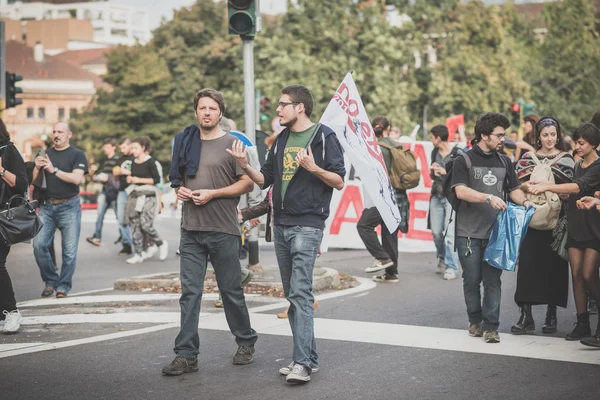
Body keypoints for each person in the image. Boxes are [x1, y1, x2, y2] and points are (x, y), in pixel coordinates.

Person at [228, 84, 345, 383]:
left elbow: (339, 180)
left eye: (283, 104)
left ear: (300, 107)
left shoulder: (324, 136)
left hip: (308, 224)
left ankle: (302, 363)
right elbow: (265, 179)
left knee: (300, 293)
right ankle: (309, 358)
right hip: (280, 224)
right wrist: (244, 166)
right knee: (293, 296)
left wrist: (314, 168)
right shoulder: (281, 139)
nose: (277, 110)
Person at [163, 88, 258, 376]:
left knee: (230, 291)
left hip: (223, 229)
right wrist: (180, 189)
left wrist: (213, 193)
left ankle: (246, 342)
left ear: (220, 113)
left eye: (212, 109)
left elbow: (248, 185)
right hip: (191, 229)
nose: (207, 113)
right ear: (196, 111)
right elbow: (179, 178)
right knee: (189, 293)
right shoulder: (185, 142)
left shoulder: (233, 144)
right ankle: (186, 354)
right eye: (202, 108)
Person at [451, 112, 533, 344]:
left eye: (504, 135)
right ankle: (474, 320)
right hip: (468, 233)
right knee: (471, 279)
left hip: (497, 234)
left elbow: (514, 189)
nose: (503, 139)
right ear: (484, 135)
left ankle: (491, 327)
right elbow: (460, 191)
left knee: (492, 282)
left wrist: (525, 202)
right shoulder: (463, 160)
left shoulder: (505, 160)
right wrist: (487, 197)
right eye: (499, 135)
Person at [529, 123, 600, 342]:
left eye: (581, 143)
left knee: (589, 275)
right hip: (575, 226)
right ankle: (583, 323)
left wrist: (547, 187)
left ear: (594, 144)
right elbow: (573, 191)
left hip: (594, 228)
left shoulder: (598, 165)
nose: (577, 147)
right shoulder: (578, 164)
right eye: (576, 143)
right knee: (577, 276)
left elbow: (578, 187)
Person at [511, 117, 574, 335]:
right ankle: (525, 315)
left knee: (554, 268)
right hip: (532, 219)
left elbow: (575, 188)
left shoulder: (567, 159)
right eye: (545, 134)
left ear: (558, 134)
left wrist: (563, 192)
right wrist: (524, 186)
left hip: (557, 221)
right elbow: (513, 184)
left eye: (553, 134)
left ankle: (551, 315)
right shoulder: (527, 158)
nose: (549, 138)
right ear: (538, 136)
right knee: (527, 268)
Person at [32, 121, 89, 298]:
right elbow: (33, 181)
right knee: (39, 245)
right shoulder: (44, 153)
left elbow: (76, 179)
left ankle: (63, 286)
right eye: (54, 131)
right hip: (47, 207)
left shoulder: (78, 155)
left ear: (69, 135)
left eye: (60, 132)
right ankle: (51, 280)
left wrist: (53, 169)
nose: (56, 135)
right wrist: (36, 167)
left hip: (69, 206)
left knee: (69, 252)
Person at [357, 116, 409, 283]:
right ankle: (391, 273)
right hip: (398, 196)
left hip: (383, 197)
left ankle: (382, 258)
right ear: (388, 128)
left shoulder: (374, 148)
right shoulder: (397, 146)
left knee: (364, 225)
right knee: (390, 233)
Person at [0, 119, 29, 333]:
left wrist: (1, 170)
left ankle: (11, 312)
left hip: (2, 217)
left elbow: (21, 184)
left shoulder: (8, 150)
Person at [123, 137, 168, 264]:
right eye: (132, 148)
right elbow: (133, 177)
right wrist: (130, 179)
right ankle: (138, 253)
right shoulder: (133, 161)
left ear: (143, 148)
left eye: (136, 148)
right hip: (135, 196)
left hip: (148, 196)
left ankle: (160, 243)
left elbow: (156, 180)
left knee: (145, 224)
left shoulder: (150, 162)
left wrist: (137, 179)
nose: (133, 150)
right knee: (135, 225)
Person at [428, 124, 460, 280]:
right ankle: (442, 256)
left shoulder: (457, 153)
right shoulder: (434, 152)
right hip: (436, 195)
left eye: (432, 137)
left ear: (438, 138)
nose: (431, 140)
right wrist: (433, 171)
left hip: (450, 197)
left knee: (450, 235)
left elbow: (461, 176)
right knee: (436, 233)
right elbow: (432, 176)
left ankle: (451, 266)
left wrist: (444, 171)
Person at [86, 138, 120, 247]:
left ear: (113, 147)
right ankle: (97, 236)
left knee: (119, 216)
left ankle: (124, 237)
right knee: (99, 214)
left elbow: (118, 177)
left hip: (114, 192)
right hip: (105, 191)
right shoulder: (106, 162)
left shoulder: (117, 160)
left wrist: (107, 178)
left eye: (108, 147)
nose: (105, 149)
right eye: (104, 147)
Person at [112, 138, 134, 255]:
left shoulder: (135, 158)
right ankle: (127, 244)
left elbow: (142, 172)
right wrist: (116, 174)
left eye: (124, 147)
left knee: (136, 219)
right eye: (121, 148)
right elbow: (116, 177)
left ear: (130, 146)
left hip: (135, 190)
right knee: (121, 217)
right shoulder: (119, 160)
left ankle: (144, 243)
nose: (122, 150)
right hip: (122, 190)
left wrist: (125, 172)